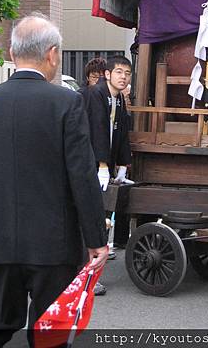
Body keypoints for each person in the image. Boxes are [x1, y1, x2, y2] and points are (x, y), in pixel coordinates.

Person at [0, 14, 108, 347]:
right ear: (52, 54)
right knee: (49, 331)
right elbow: (82, 175)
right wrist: (95, 238)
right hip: (52, 244)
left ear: (13, 55)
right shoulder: (66, 102)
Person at [80, 55, 133, 294]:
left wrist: (123, 164)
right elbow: (96, 129)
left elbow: (121, 132)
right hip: (89, 165)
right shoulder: (95, 94)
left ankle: (91, 276)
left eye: (127, 73)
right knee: (92, 220)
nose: (123, 77)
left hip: (104, 166)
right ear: (107, 74)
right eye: (119, 72)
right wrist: (101, 165)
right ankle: (86, 277)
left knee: (103, 220)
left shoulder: (118, 98)